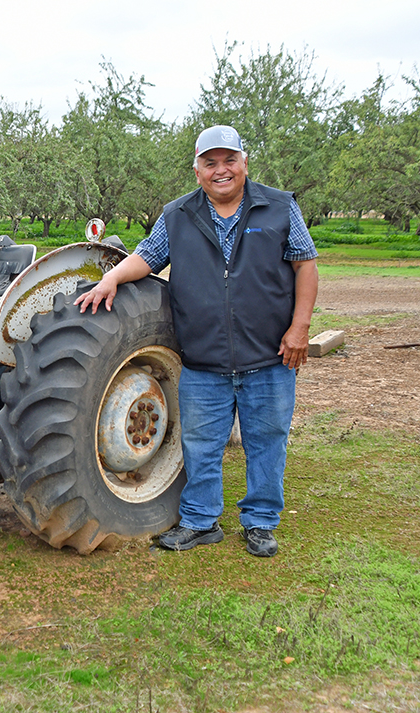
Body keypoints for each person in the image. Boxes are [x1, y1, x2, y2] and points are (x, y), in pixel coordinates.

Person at [74, 125, 318, 558]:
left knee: (267, 440)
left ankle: (260, 522)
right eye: (210, 163)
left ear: (244, 162)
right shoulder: (178, 215)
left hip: (269, 357)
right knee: (201, 445)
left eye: (228, 160)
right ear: (197, 169)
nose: (220, 170)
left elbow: (305, 266)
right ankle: (201, 521)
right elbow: (147, 257)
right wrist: (111, 277)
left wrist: (299, 329)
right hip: (204, 360)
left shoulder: (279, 208)